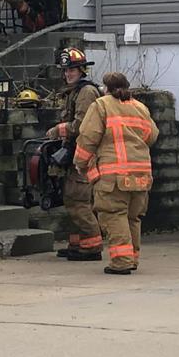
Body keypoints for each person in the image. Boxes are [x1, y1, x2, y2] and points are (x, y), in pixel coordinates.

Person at [75, 71, 159, 274]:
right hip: (141, 173)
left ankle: (121, 261)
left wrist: (80, 161)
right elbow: (151, 135)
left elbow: (88, 136)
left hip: (114, 174)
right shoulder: (140, 107)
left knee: (114, 214)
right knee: (133, 217)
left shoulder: (101, 105)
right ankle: (132, 258)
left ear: (106, 88)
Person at [45, 46, 103, 261]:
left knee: (78, 201)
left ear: (82, 71)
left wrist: (58, 130)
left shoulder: (86, 92)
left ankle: (92, 247)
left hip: (84, 155)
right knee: (71, 199)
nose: (68, 73)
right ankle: (78, 244)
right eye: (66, 70)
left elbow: (82, 125)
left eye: (73, 70)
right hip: (75, 154)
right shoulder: (75, 91)